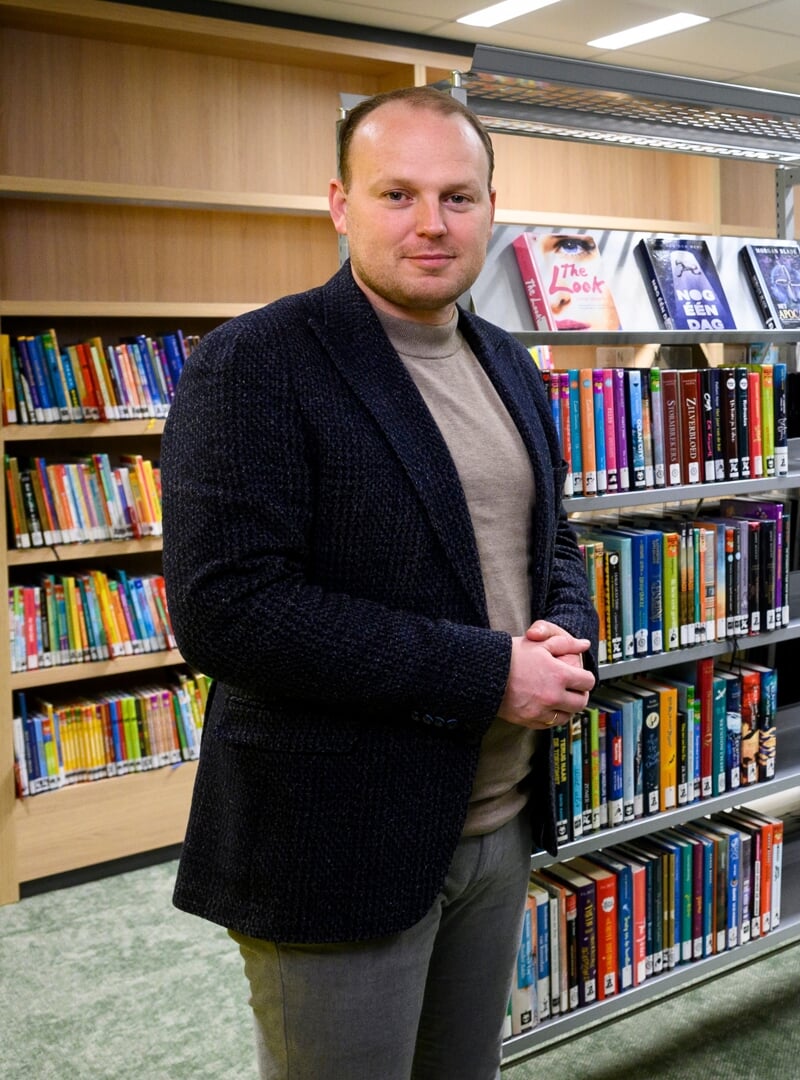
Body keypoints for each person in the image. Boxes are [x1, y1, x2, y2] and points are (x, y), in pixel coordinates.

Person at [162, 86, 599, 1079]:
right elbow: (230, 609)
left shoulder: (509, 363)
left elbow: (549, 544)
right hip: (335, 836)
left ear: (493, 206)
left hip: (496, 820)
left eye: (458, 196)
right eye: (397, 193)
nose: (431, 224)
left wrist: (563, 638)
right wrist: (490, 674)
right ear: (339, 203)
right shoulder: (258, 362)